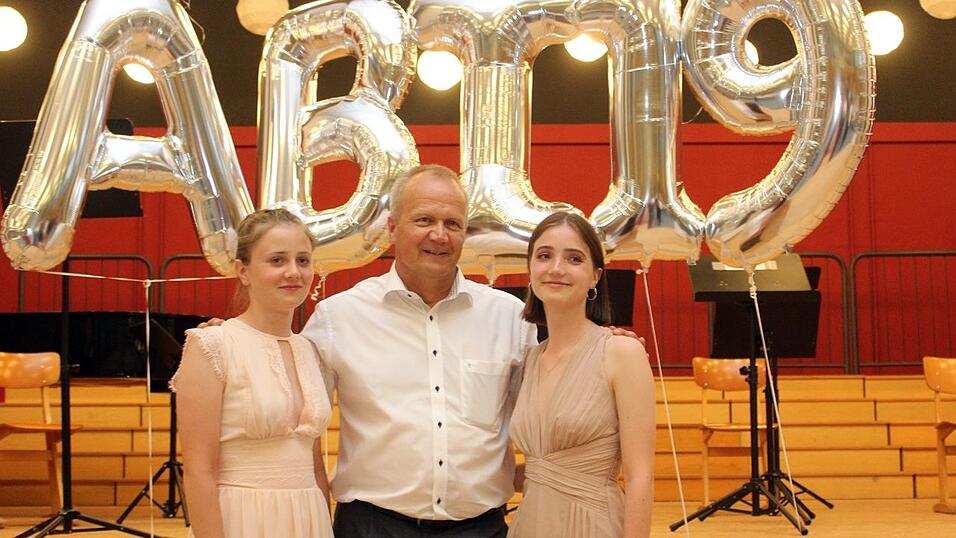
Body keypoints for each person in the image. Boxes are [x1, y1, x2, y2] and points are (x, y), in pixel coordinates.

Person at [302, 164, 538, 537]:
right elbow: (293, 413)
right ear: (393, 228)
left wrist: (603, 349)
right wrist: (235, 335)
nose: (439, 235)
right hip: (372, 526)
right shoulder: (338, 317)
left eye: (453, 223)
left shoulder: (510, 318)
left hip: (481, 529)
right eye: (424, 219)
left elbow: (552, 406)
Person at [171, 209, 333, 538]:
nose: (294, 272)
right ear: (243, 271)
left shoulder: (311, 351)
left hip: (308, 520)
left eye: (303, 260)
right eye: (277, 260)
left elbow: (315, 466)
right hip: (240, 519)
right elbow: (199, 472)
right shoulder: (212, 345)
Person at [507, 211, 655, 538]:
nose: (556, 268)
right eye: (545, 256)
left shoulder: (622, 353)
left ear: (595, 277)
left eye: (574, 258)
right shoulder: (530, 360)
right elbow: (540, 467)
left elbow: (640, 476)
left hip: (593, 526)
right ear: (530, 269)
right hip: (530, 524)